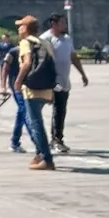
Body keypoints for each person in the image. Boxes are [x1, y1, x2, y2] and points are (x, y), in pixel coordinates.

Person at [41, 13, 89, 155]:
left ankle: (55, 139)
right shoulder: (46, 39)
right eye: (62, 23)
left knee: (60, 110)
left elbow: (73, 57)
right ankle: (55, 140)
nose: (65, 25)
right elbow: (42, 61)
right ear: (53, 24)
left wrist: (82, 74)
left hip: (64, 81)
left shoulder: (67, 39)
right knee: (56, 110)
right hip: (51, 81)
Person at [14, 14, 56, 170]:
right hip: (46, 88)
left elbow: (27, 63)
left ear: (25, 28)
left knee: (35, 124)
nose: (18, 28)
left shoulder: (26, 43)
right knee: (35, 122)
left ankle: (47, 159)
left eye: (20, 26)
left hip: (32, 89)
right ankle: (39, 154)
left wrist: (18, 82)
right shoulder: (45, 42)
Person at [0, 38, 30, 153]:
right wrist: (3, 86)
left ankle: (15, 141)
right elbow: (5, 69)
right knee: (25, 111)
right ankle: (37, 142)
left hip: (27, 85)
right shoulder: (13, 52)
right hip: (15, 85)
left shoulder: (30, 52)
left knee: (22, 112)